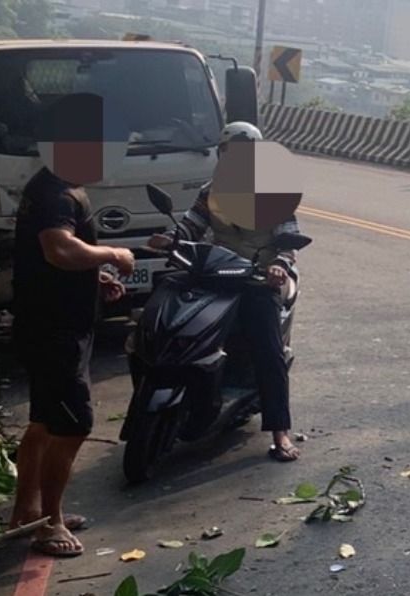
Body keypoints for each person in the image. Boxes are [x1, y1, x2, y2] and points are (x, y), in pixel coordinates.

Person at [9, 98, 136, 558]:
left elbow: (60, 260)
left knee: (44, 421)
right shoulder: (56, 194)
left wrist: (94, 279)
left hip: (56, 323)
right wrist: (113, 257)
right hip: (55, 331)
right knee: (73, 424)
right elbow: (58, 250)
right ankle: (49, 523)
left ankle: (28, 510)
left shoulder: (59, 186)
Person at [148, 121, 303, 462]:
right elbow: (191, 225)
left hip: (257, 277)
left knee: (268, 348)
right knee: (166, 305)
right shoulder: (210, 191)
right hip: (216, 272)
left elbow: (288, 239)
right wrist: (169, 239)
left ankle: (280, 431)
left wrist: (278, 263)